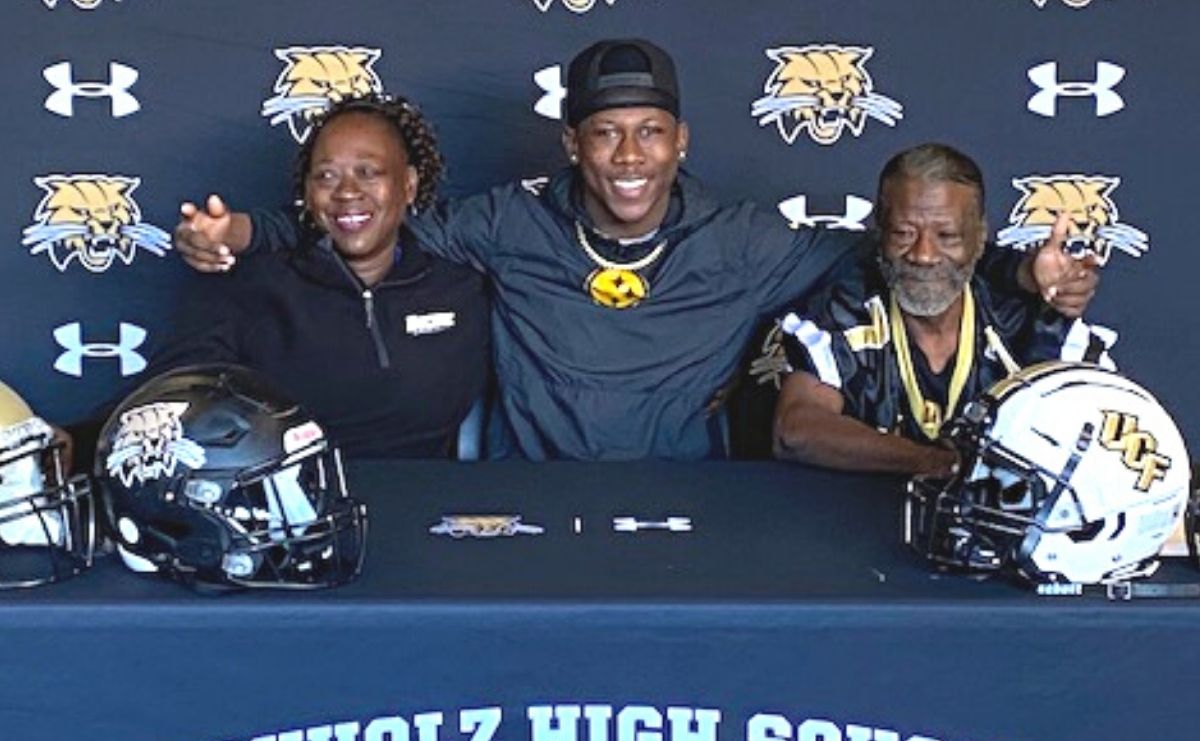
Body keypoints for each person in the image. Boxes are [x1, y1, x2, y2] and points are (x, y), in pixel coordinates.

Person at [172, 39, 1096, 461]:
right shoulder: (507, 223)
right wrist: (241, 235)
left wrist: (1022, 273)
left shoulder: (744, 238)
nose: (628, 157)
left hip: (691, 510)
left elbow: (898, 254)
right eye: (606, 134)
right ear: (571, 144)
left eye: (650, 132)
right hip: (524, 509)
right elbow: (365, 220)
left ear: (680, 142)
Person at [151, 94, 490, 460]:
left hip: (428, 492)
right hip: (293, 492)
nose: (347, 192)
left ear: (408, 185)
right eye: (326, 176)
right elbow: (169, 399)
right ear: (308, 193)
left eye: (368, 172)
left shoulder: (463, 291)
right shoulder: (252, 289)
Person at [772, 143, 1113, 476]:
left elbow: (1111, 433)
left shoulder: (1030, 322)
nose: (924, 255)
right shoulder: (844, 315)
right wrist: (937, 463)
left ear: (979, 236)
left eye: (947, 235)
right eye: (904, 233)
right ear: (880, 231)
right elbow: (796, 432)